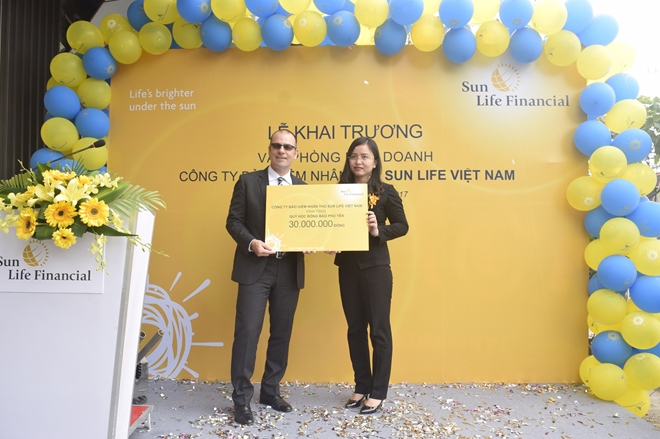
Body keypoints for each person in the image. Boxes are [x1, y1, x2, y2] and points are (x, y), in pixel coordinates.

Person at [226, 128, 306, 425]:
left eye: (288, 147)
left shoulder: (303, 188)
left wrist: (314, 241)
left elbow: (308, 227)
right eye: (277, 145)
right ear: (269, 149)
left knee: (281, 334)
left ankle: (270, 392)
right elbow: (233, 221)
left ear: (295, 154)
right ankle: (241, 400)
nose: (282, 151)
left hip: (289, 269)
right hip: (255, 267)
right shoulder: (248, 182)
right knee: (247, 333)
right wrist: (251, 243)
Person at [331, 137, 409, 415]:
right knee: (355, 329)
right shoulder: (338, 192)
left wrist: (378, 231)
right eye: (354, 156)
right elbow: (331, 225)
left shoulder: (386, 192)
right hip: (347, 268)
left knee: (379, 330)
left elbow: (402, 225)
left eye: (365, 156)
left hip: (376, 269)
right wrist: (328, 239)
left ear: (375, 162)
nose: (358, 161)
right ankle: (361, 385)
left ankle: (378, 391)